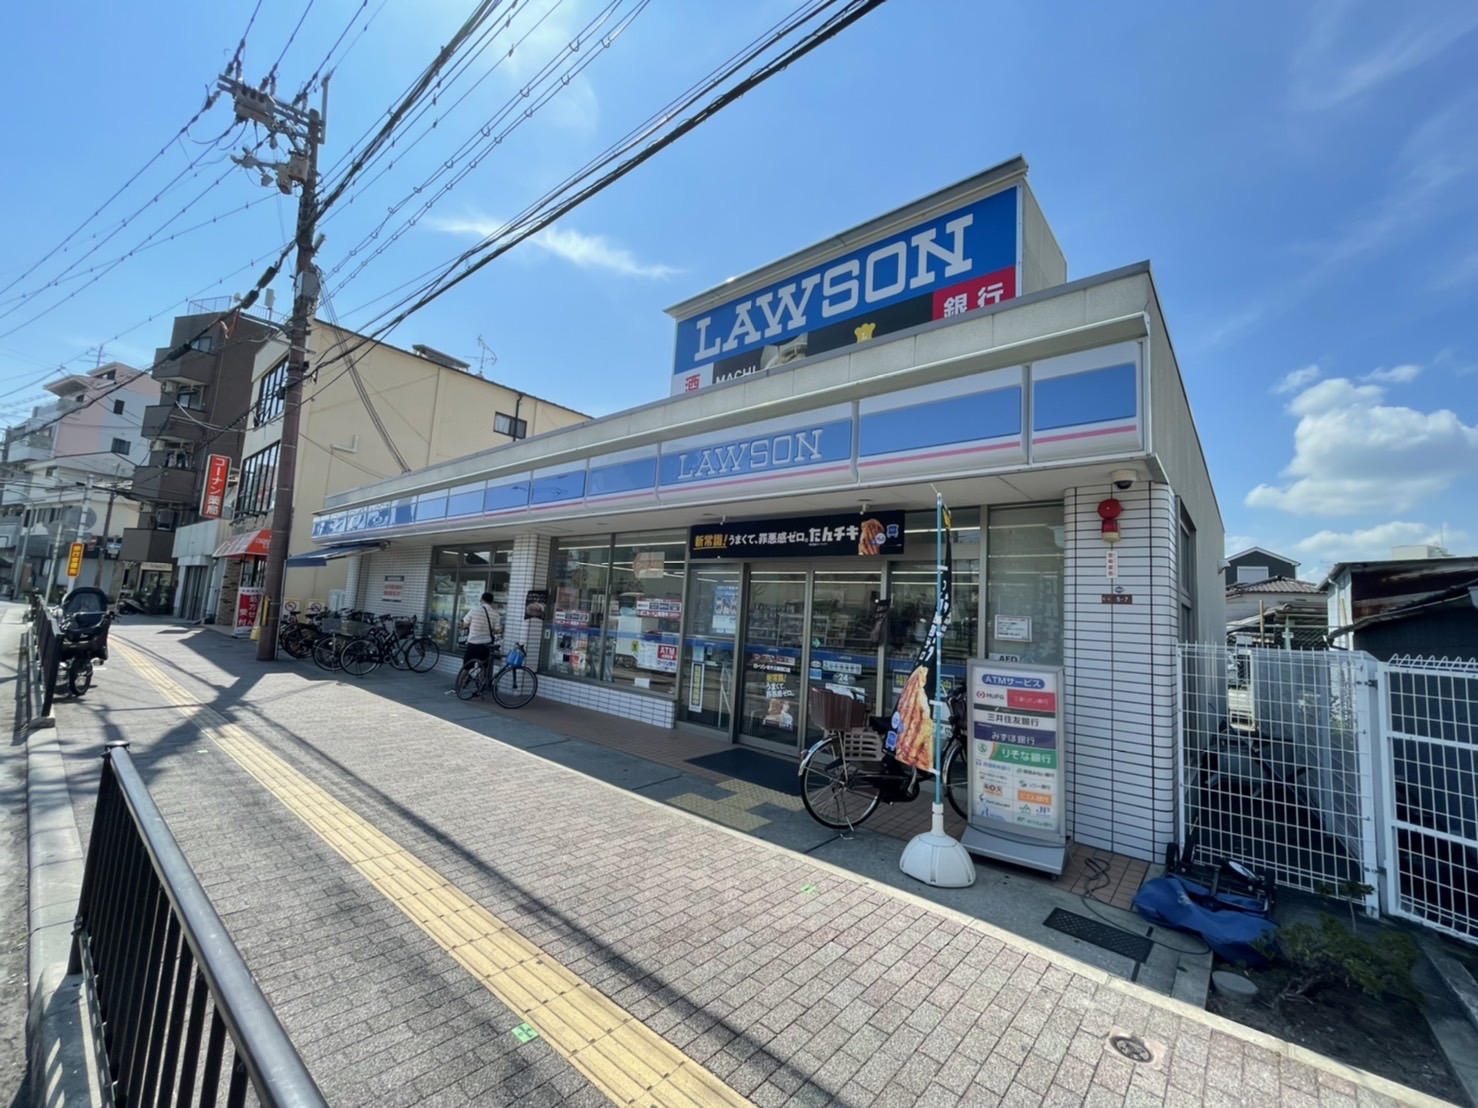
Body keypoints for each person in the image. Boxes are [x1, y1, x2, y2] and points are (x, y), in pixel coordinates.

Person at [457, 592, 503, 685]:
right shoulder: (495, 614)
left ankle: (458, 687)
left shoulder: (475, 610)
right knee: (484, 666)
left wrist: (467, 626)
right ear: (492, 602)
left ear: (482, 600)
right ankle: (481, 687)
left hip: (473, 642)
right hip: (486, 644)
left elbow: (465, 624)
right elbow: (498, 630)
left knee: (467, 667)